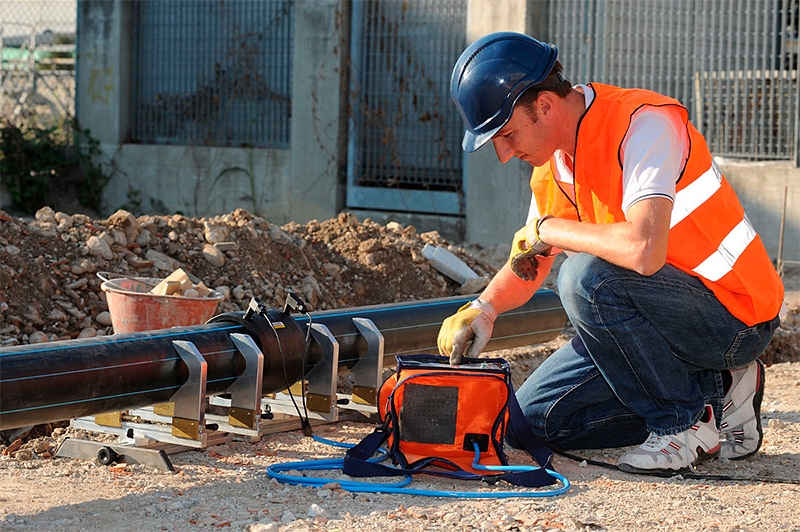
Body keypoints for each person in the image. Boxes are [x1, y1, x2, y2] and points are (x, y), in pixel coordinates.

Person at [437, 32, 786, 475]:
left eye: (507, 135)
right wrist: (484, 308)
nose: (504, 154)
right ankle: (716, 393)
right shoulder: (554, 162)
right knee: (533, 422)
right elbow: (533, 257)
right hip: (659, 320)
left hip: (733, 317)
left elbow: (644, 251)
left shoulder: (643, 126)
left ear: (544, 105)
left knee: (584, 278)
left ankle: (682, 424)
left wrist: (549, 228)